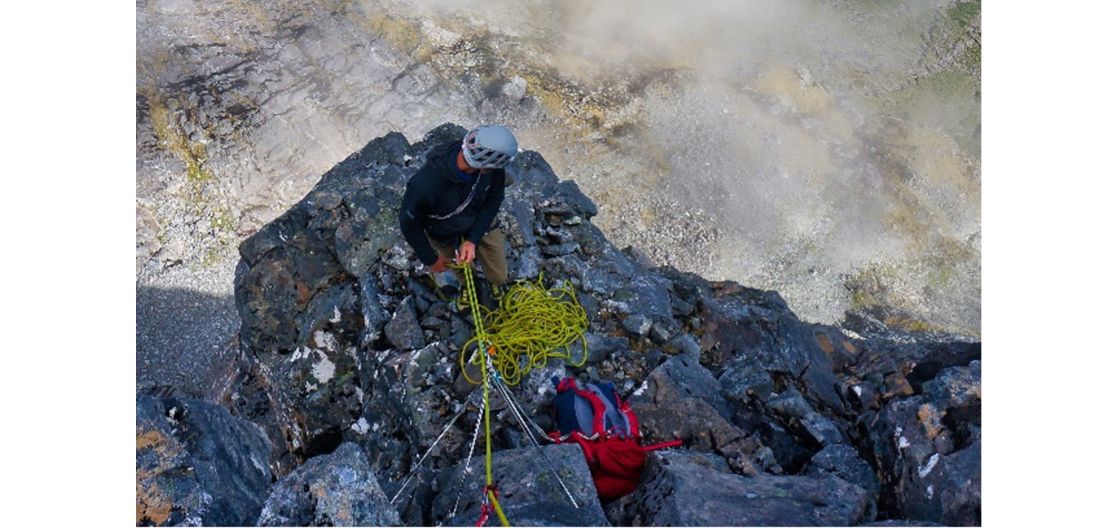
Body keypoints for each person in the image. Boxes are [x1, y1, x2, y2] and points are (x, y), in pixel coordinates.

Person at [398, 125, 518, 308]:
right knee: (460, 269)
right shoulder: (424, 186)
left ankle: (495, 284)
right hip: (443, 232)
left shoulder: (492, 170)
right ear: (486, 164)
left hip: (478, 220)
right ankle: (469, 287)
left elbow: (494, 199)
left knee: (499, 275)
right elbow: (409, 223)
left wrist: (473, 240)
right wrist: (430, 258)